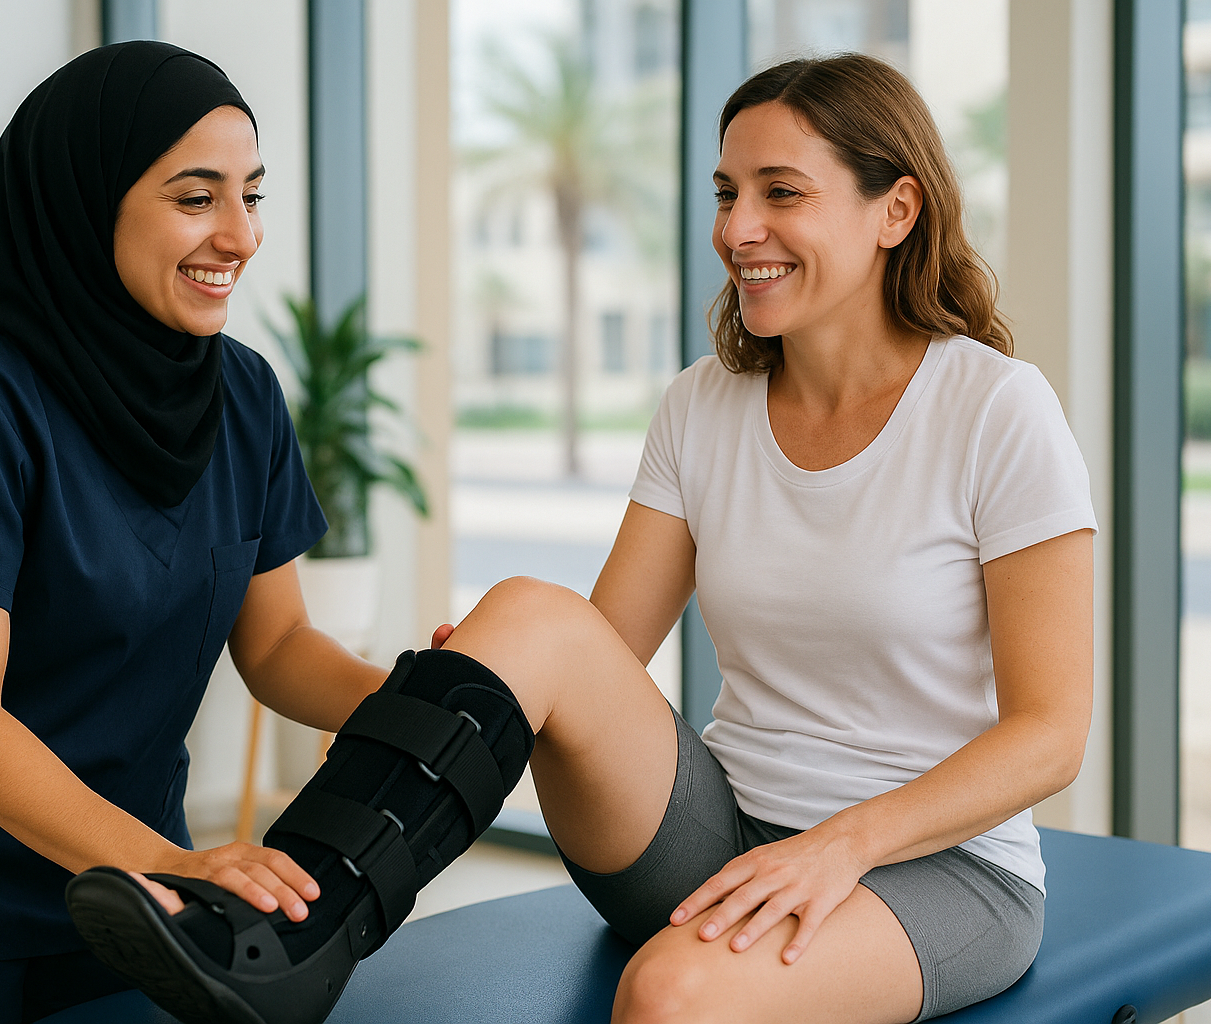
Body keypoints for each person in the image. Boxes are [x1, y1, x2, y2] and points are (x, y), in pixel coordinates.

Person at [75, 51, 1096, 1024]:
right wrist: (476, 687)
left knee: (669, 997)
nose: (739, 228)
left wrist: (841, 844)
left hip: (931, 868)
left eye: (781, 193)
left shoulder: (995, 410)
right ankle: (285, 936)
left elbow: (1051, 732)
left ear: (896, 210)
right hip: (714, 830)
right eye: (725, 192)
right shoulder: (707, 403)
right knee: (527, 613)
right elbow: (596, 653)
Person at [0, 41, 385, 1023]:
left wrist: (410, 697)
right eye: (197, 198)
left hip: (123, 899)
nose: (242, 235)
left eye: (254, 194)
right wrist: (171, 860)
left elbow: (276, 643)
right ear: (84, 202)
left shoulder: (244, 398)